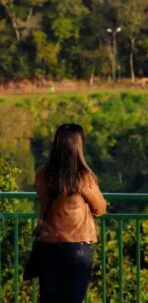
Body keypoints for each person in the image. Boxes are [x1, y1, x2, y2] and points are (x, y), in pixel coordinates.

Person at [33, 123, 107, 303]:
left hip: (48, 245)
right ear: (78, 146)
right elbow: (100, 208)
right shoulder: (82, 178)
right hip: (77, 248)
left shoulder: (42, 175)